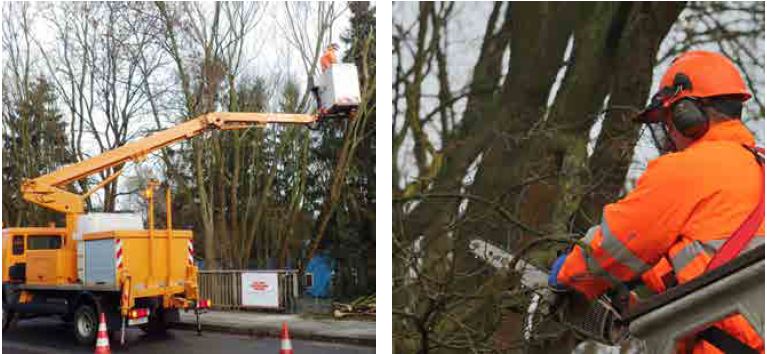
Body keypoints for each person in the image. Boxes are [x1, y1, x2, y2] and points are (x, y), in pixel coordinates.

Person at [548, 51, 764, 354]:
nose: (668, 134)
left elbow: (617, 242)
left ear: (687, 115)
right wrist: (633, 280)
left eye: (668, 122)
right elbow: (713, 255)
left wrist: (569, 271)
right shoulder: (756, 167)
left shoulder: (688, 168)